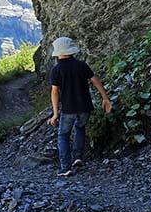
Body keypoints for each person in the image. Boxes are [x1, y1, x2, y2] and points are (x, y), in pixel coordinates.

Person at [48, 37, 112, 177]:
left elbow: (54, 92)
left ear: (58, 52)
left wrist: (55, 113)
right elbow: (95, 81)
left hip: (68, 109)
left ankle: (65, 168)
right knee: (80, 128)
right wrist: (105, 98)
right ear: (72, 51)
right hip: (85, 107)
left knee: (63, 135)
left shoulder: (56, 69)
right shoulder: (82, 65)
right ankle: (78, 157)